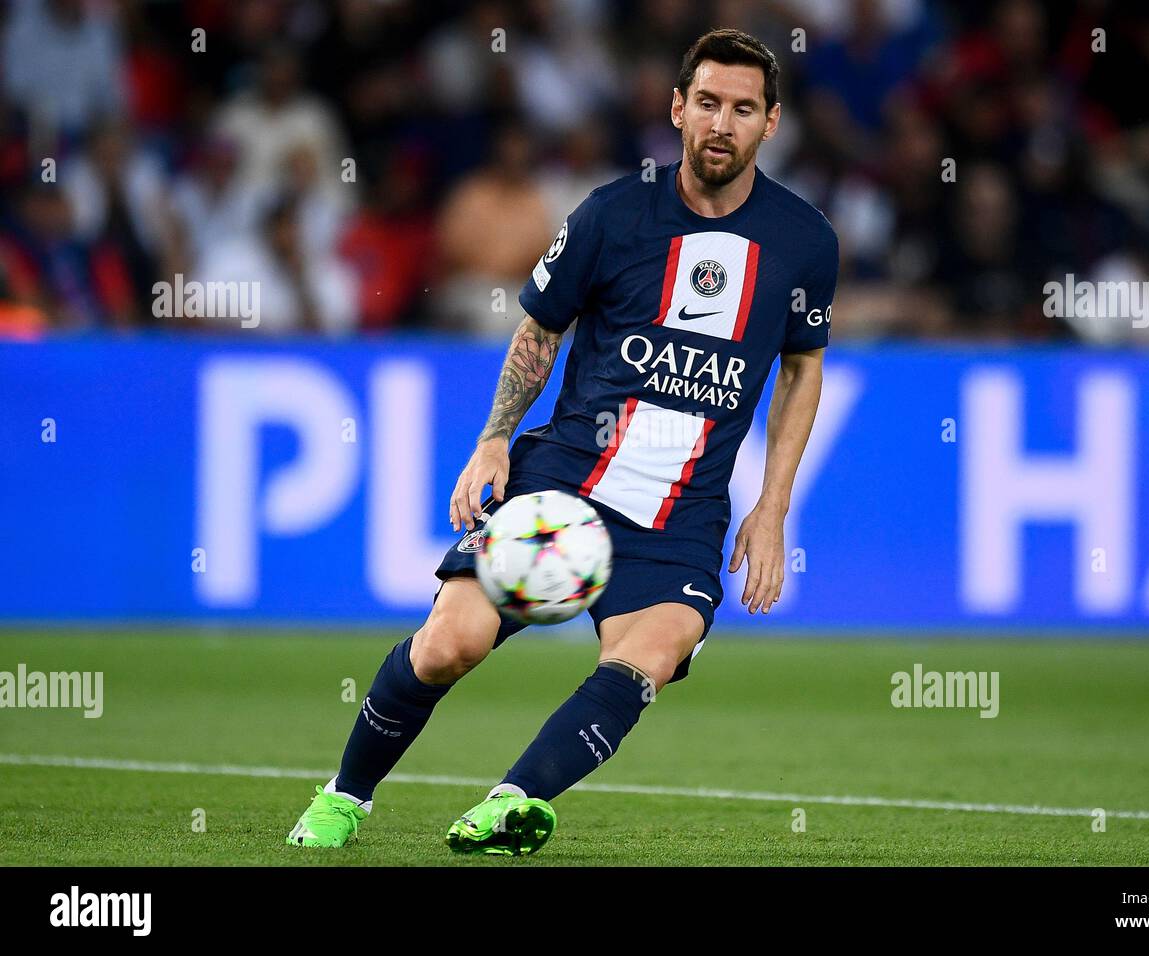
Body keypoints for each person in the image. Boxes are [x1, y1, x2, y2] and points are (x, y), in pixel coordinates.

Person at [286, 28, 839, 856]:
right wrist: (494, 440)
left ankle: (513, 801)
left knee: (649, 654)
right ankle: (344, 794)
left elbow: (802, 368)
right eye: (711, 104)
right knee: (448, 645)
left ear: (772, 122)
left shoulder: (804, 242)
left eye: (745, 109)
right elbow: (539, 333)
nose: (724, 123)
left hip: (681, 511)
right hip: (566, 476)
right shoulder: (613, 215)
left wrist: (773, 505)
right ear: (679, 109)